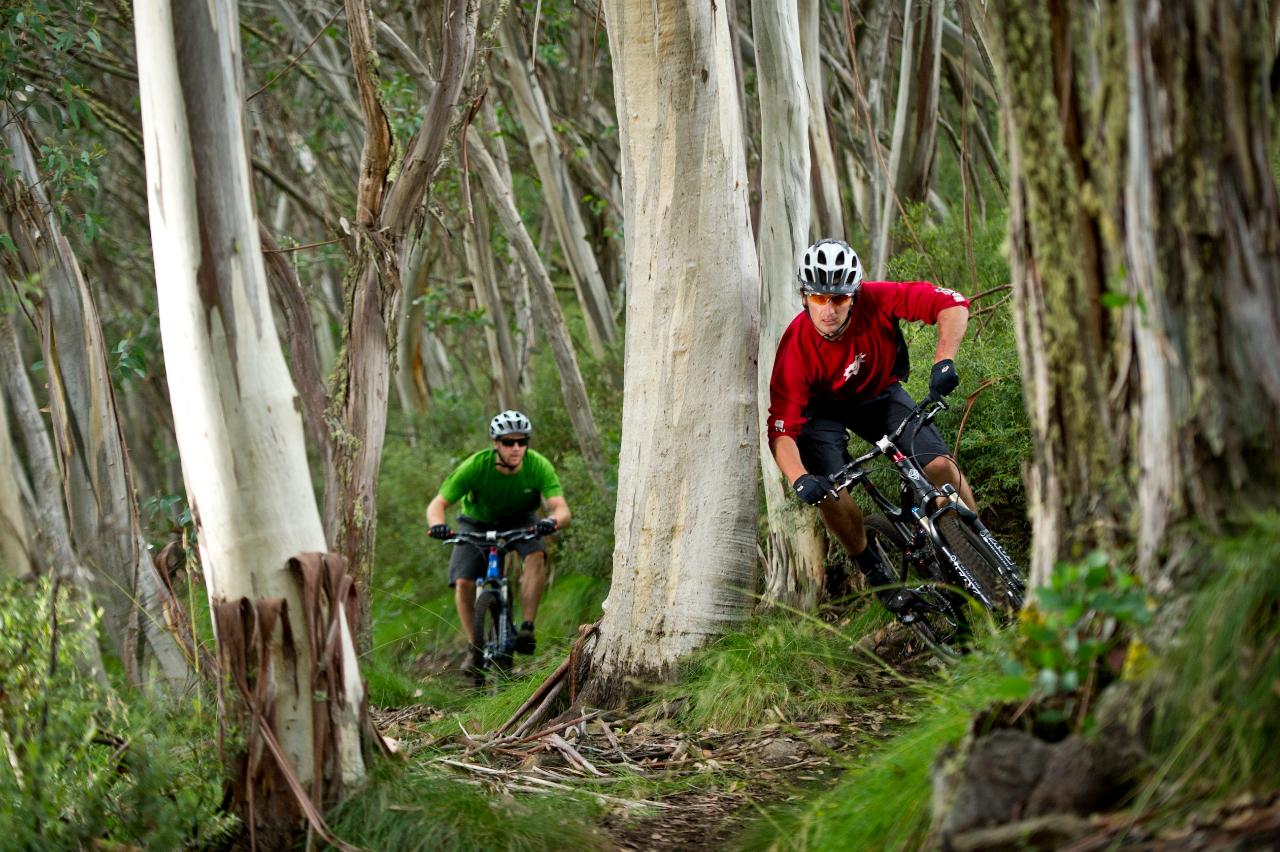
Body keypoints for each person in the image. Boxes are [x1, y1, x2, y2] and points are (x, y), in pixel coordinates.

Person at [767, 238, 974, 614]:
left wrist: (944, 361)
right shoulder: (795, 348)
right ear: (803, 297)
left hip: (879, 393)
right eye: (818, 298)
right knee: (831, 491)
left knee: (940, 466)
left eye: (839, 299)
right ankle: (872, 567)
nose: (828, 310)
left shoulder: (877, 299)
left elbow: (952, 302)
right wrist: (800, 478)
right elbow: (782, 430)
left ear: (854, 295)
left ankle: (980, 551)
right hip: (820, 414)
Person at [426, 410, 571, 659]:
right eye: (508, 442)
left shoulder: (538, 466)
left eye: (522, 442)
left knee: (536, 555)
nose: (516, 448)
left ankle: (526, 627)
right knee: (464, 582)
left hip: (522, 518)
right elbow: (437, 504)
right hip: (476, 522)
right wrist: (438, 524)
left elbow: (561, 509)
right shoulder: (475, 466)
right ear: (496, 444)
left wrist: (551, 521)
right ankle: (475, 646)